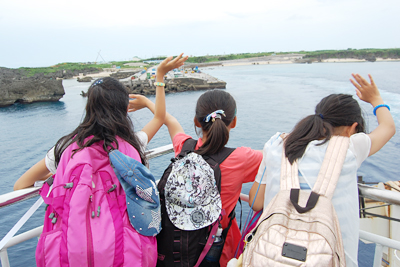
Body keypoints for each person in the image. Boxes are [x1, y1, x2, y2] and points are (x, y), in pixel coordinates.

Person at [248, 73, 396, 267]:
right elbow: (388, 127)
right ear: (352, 128)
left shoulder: (276, 144)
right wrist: (376, 99)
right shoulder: (350, 148)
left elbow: (256, 202)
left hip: (273, 256)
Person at [13, 54, 188, 191]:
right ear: (123, 108)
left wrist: (61, 176)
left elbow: (20, 186)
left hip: (80, 234)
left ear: (90, 107)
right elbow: (160, 117)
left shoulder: (66, 148)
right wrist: (159, 76)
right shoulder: (131, 144)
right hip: (122, 233)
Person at [129, 89, 263, 267]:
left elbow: (169, 121)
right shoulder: (243, 158)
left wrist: (147, 102)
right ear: (234, 122)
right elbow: (281, 154)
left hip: (177, 247)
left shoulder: (185, 148)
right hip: (219, 250)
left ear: (196, 122)